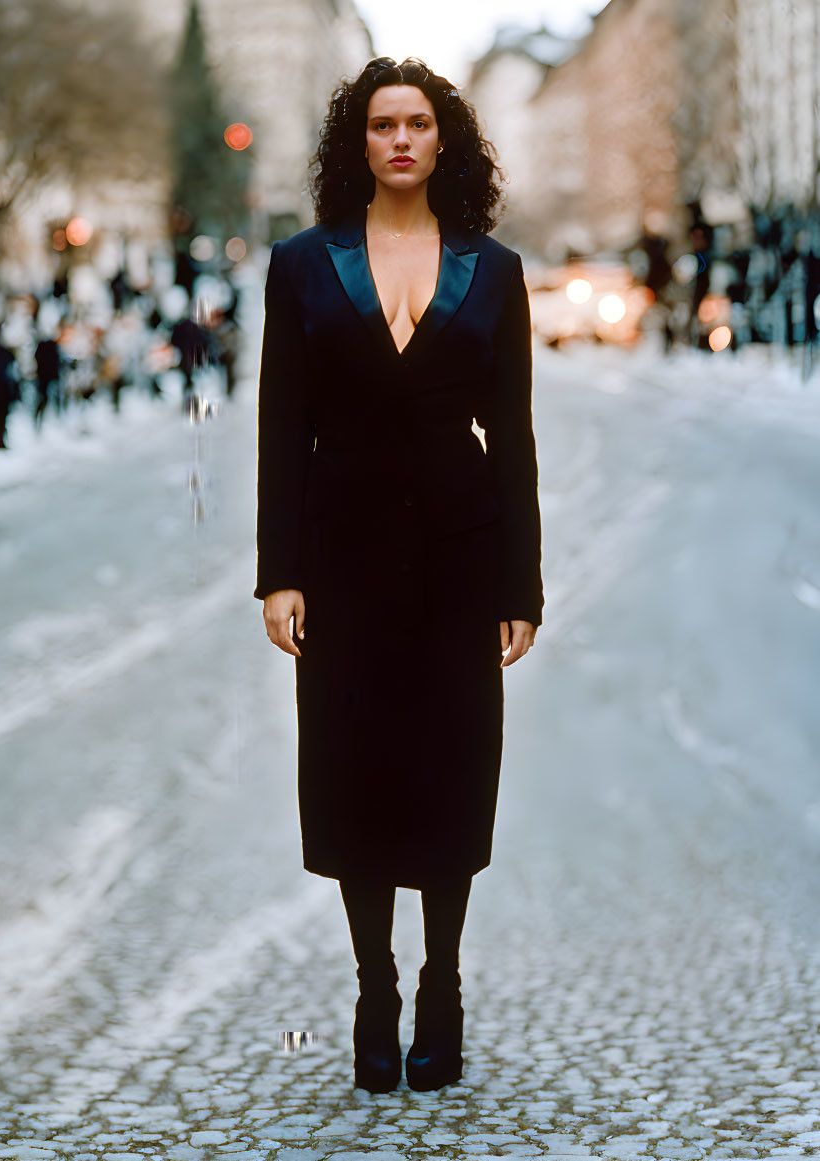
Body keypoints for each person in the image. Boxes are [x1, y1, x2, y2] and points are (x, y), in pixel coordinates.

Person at [253, 57, 544, 1094]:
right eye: (383, 125)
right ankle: (374, 985)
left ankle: (443, 985)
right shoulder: (301, 265)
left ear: (445, 138)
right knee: (354, 768)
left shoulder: (493, 270)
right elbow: (282, 425)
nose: (403, 140)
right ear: (358, 142)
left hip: (461, 560)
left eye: (420, 123)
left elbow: (510, 434)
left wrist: (522, 586)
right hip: (341, 558)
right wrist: (278, 573)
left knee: (453, 767)